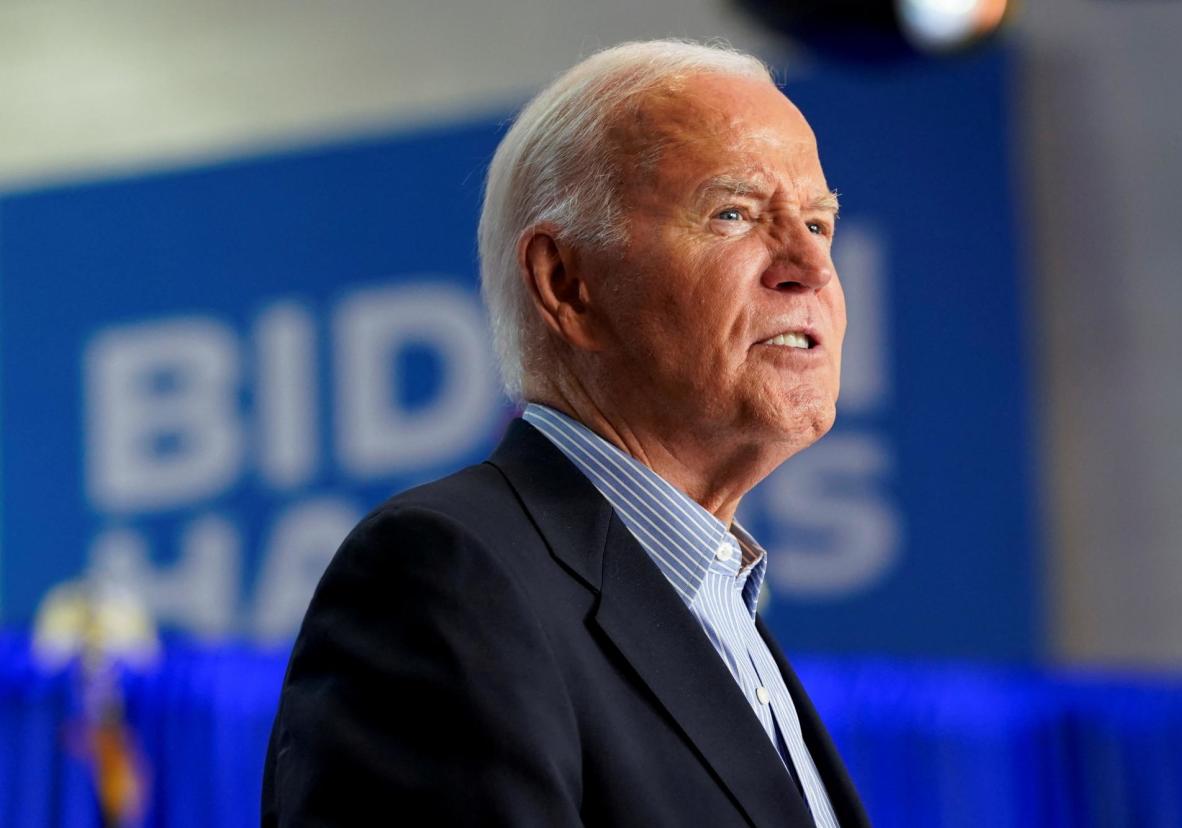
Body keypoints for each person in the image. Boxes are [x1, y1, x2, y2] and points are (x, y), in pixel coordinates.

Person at [262, 39, 870, 827]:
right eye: (735, 214)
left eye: (818, 224)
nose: (809, 268)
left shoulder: (720, 605)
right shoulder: (446, 579)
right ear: (567, 284)